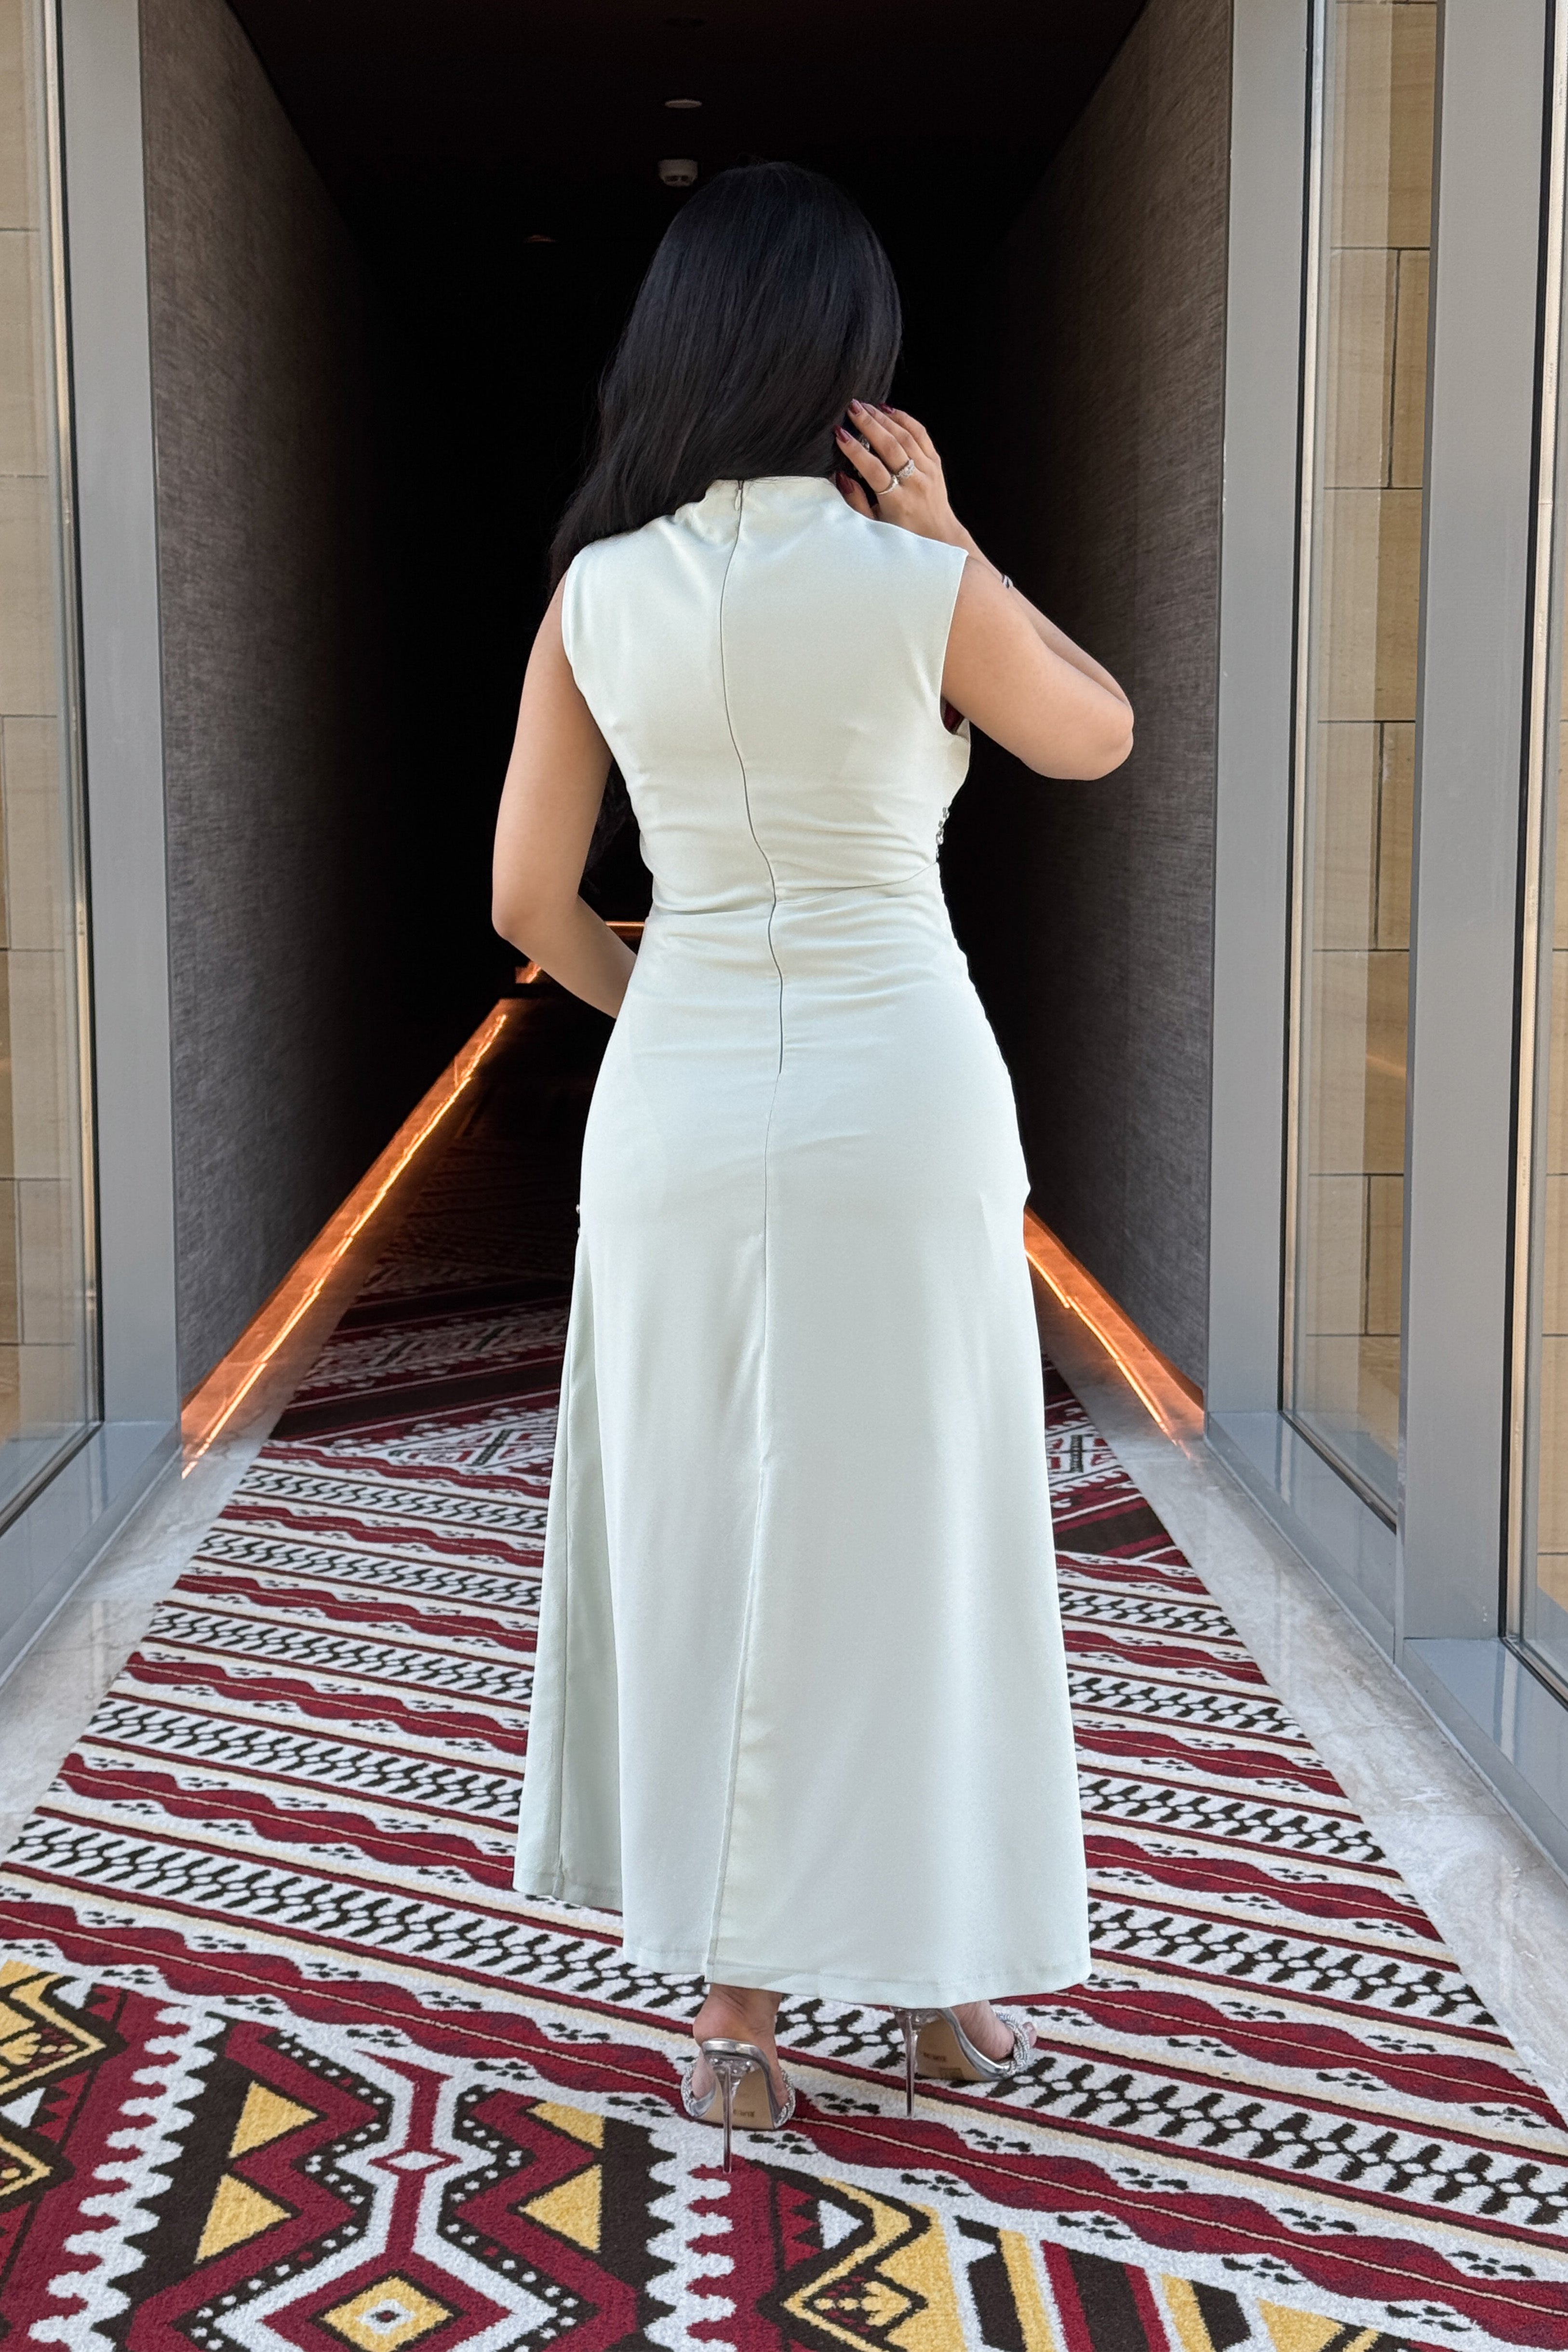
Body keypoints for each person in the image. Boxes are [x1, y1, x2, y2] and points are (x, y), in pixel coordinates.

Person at [492, 160, 1132, 2169]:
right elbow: (1095, 734)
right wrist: (955, 537)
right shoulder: (914, 584)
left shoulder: (597, 592)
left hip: (681, 1103)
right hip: (902, 1090)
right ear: (848, 364)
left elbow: (526, 898)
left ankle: (735, 2007)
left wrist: (666, 1004)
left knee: (705, 1520)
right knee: (917, 1523)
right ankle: (933, 1976)